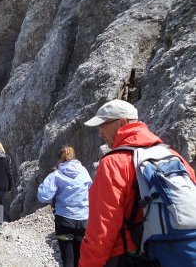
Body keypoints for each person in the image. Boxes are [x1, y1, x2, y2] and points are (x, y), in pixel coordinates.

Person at [79, 99, 196, 267]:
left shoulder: (114, 163)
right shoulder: (172, 155)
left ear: (122, 123)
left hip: (128, 257)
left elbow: (101, 230)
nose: (100, 133)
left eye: (103, 125)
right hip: (171, 254)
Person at [37, 145, 92, 267]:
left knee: (67, 260)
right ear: (73, 156)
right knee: (80, 258)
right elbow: (91, 190)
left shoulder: (56, 174)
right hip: (83, 220)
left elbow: (43, 196)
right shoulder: (84, 171)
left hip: (64, 220)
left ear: (59, 159)